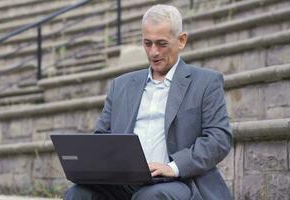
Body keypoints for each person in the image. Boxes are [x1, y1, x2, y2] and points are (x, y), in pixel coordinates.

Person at [65, 4, 232, 200]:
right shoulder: (121, 85)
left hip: (178, 181)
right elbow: (102, 136)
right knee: (78, 194)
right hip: (123, 181)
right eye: (147, 43)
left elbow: (219, 138)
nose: (153, 52)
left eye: (161, 43)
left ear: (181, 40)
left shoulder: (206, 82)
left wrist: (173, 167)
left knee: (150, 197)